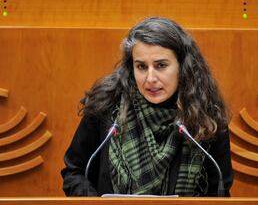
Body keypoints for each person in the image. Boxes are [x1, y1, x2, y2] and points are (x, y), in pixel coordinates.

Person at [61, 17, 233, 197]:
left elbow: (220, 188)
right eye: (141, 66)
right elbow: (74, 172)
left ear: (182, 67)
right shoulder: (106, 106)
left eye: (161, 65)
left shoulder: (205, 117)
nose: (150, 78)